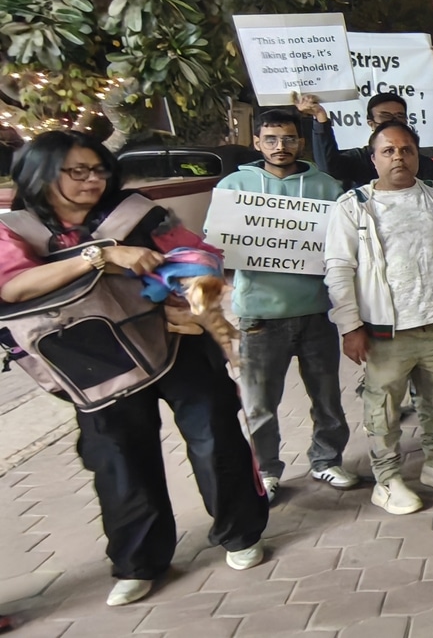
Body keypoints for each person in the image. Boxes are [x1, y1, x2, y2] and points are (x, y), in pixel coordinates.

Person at [0, 131, 268, 606]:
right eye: (77, 172)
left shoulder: (138, 213)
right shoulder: (17, 229)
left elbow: (197, 256)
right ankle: (139, 561)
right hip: (94, 361)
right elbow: (14, 287)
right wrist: (101, 255)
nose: (92, 180)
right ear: (39, 175)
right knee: (117, 457)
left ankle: (240, 533)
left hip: (174, 343)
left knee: (216, 436)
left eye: (99, 169)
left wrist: (199, 304)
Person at [324, 121, 433, 515]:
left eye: (406, 150)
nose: (398, 157)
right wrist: (350, 326)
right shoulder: (354, 206)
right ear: (373, 159)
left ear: (417, 156)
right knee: (383, 407)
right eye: (388, 151)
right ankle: (387, 480)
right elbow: (338, 269)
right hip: (384, 331)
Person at [216, 109, 357, 503]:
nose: (281, 147)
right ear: (257, 142)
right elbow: (218, 247)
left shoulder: (327, 187)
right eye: (272, 139)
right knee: (259, 404)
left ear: (301, 141)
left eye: (290, 139)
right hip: (259, 315)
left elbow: (344, 245)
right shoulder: (235, 186)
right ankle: (265, 471)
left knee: (327, 396)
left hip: (315, 312)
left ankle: (327, 460)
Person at [297, 91, 433, 190]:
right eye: (385, 116)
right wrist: (320, 118)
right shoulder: (359, 159)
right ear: (371, 123)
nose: (393, 121)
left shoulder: (425, 165)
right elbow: (328, 167)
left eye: (400, 116)